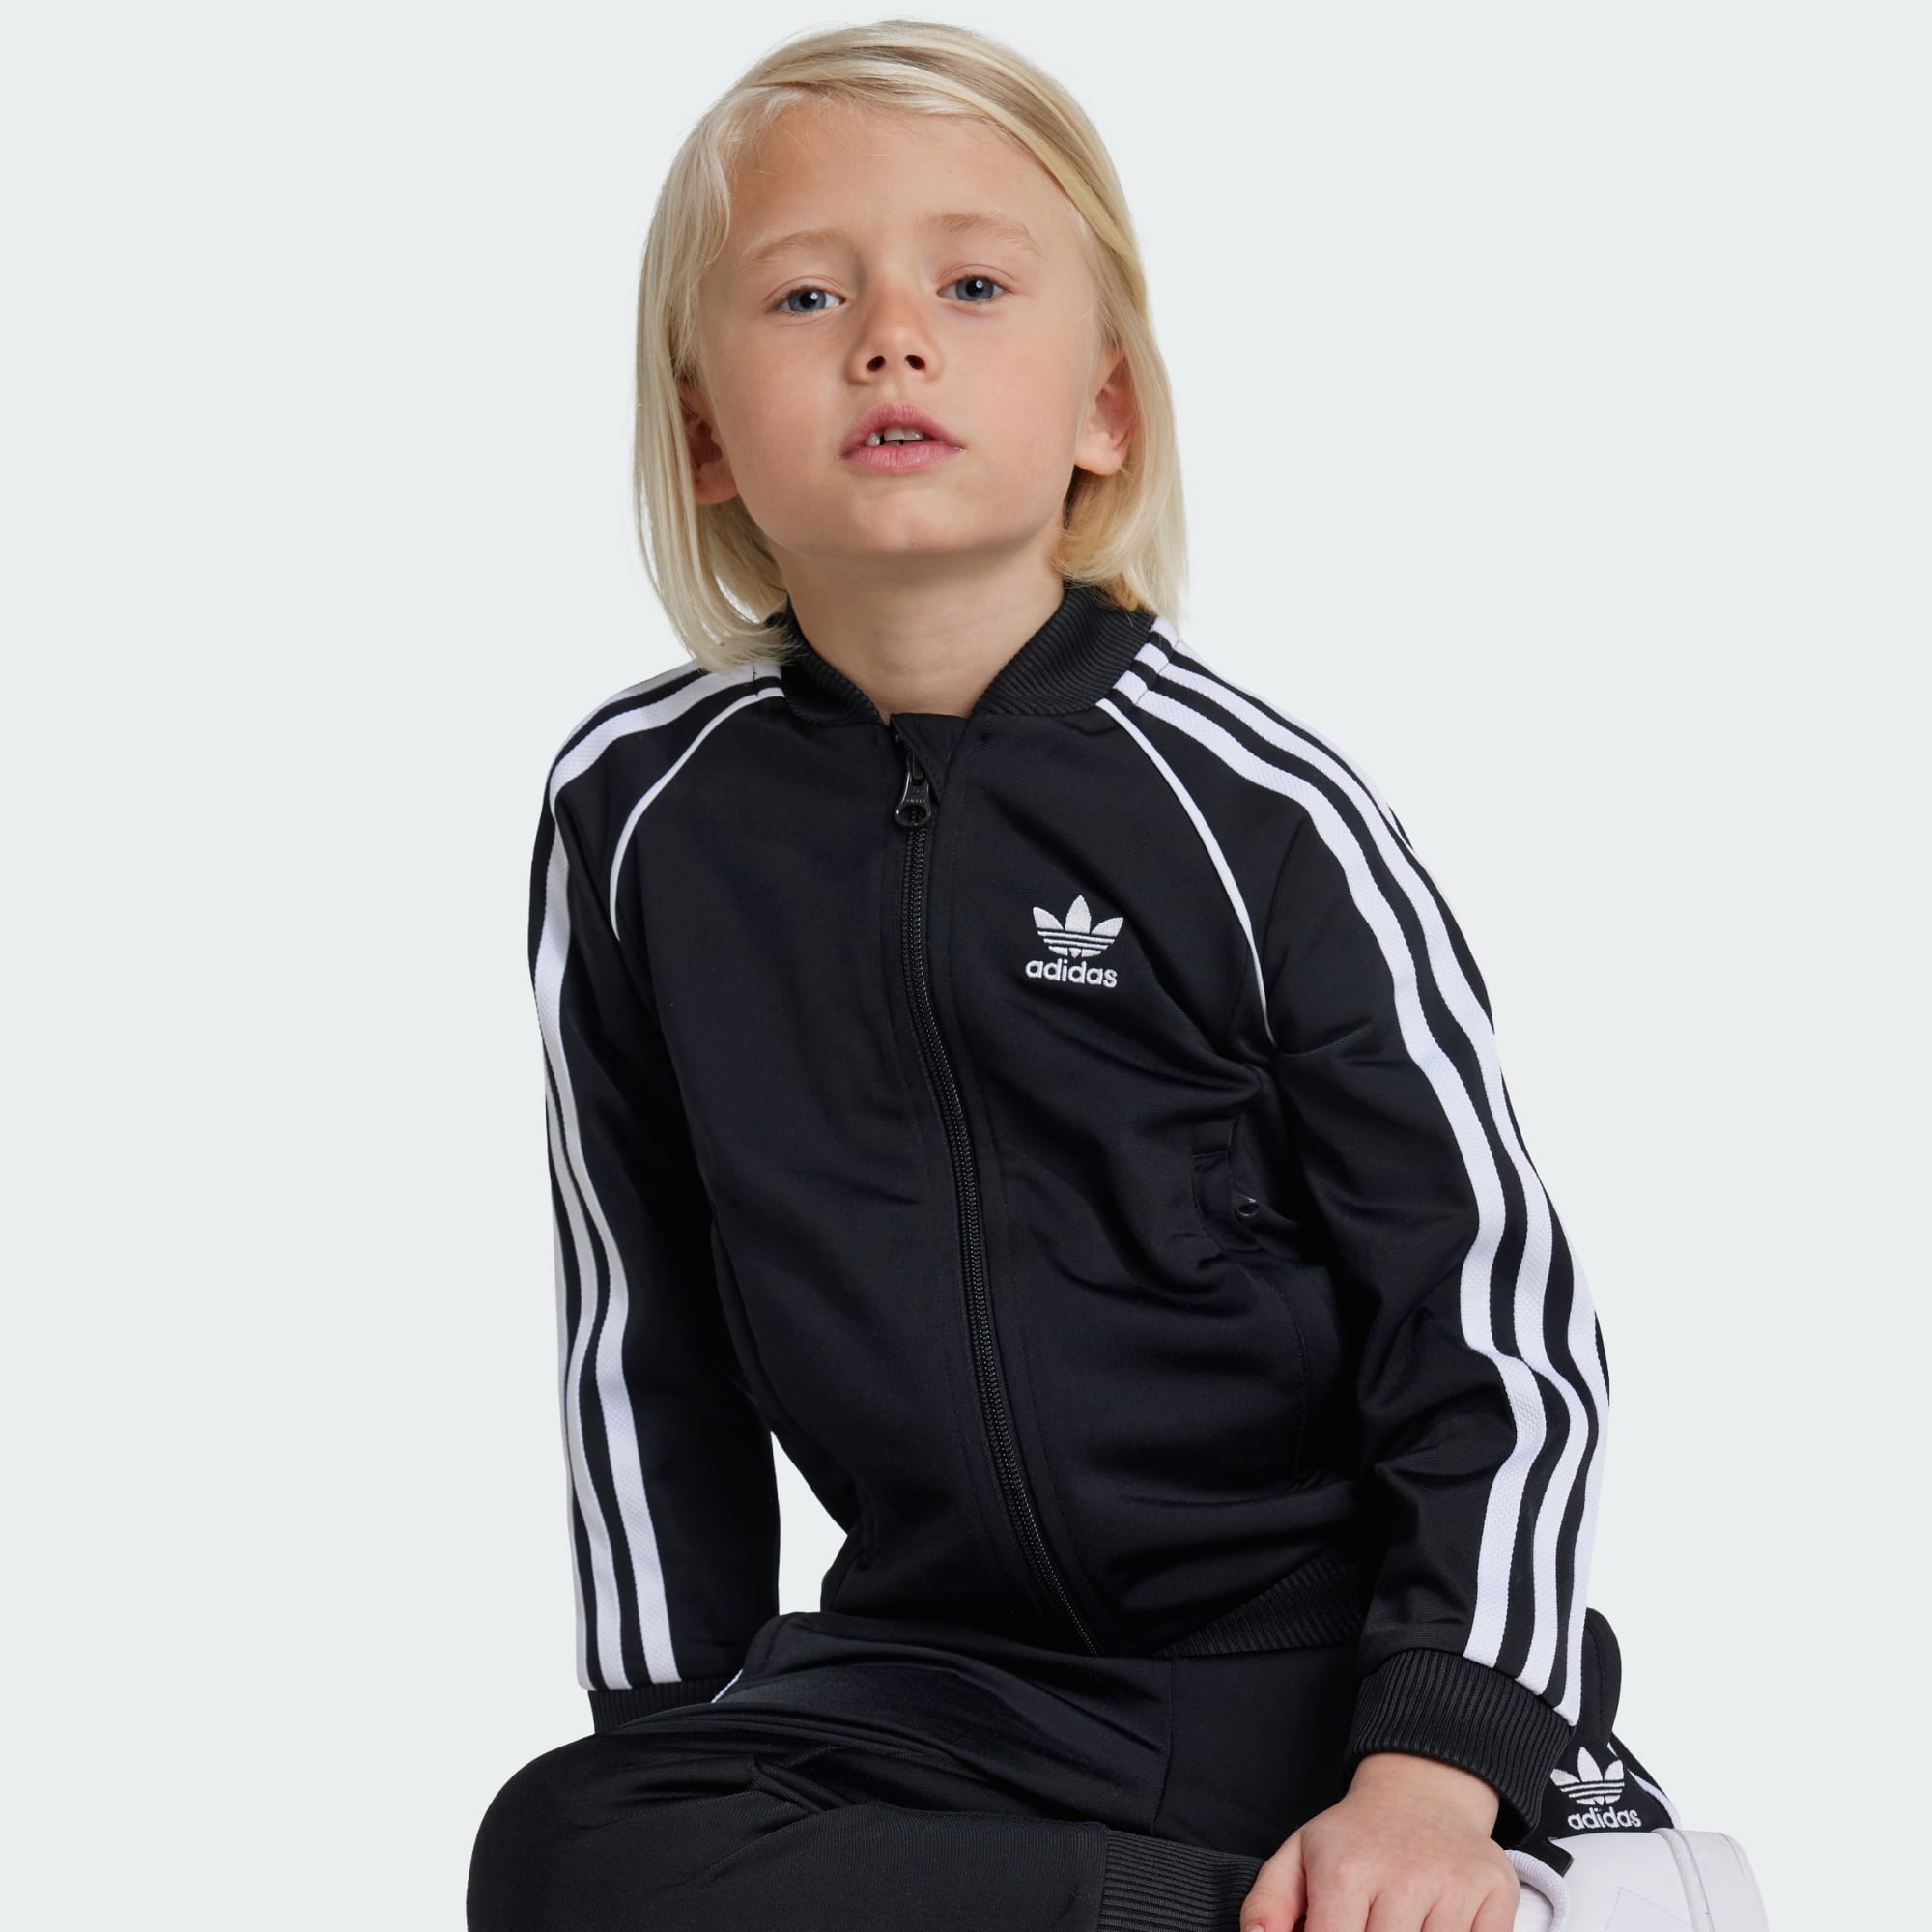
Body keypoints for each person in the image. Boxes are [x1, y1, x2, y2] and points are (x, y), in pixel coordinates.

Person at [466, 20, 1692, 1932]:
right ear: (704, 434)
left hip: (1320, 1677)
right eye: (806, 295)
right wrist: (692, 1760)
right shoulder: (635, 816)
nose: (891, 339)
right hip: (948, 1692)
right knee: (563, 1846)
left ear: (1104, 408)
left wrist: (1430, 1773)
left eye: (971, 287)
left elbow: (1497, 1339)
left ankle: (1482, 1873)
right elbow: (641, 1330)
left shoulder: (1257, 815)